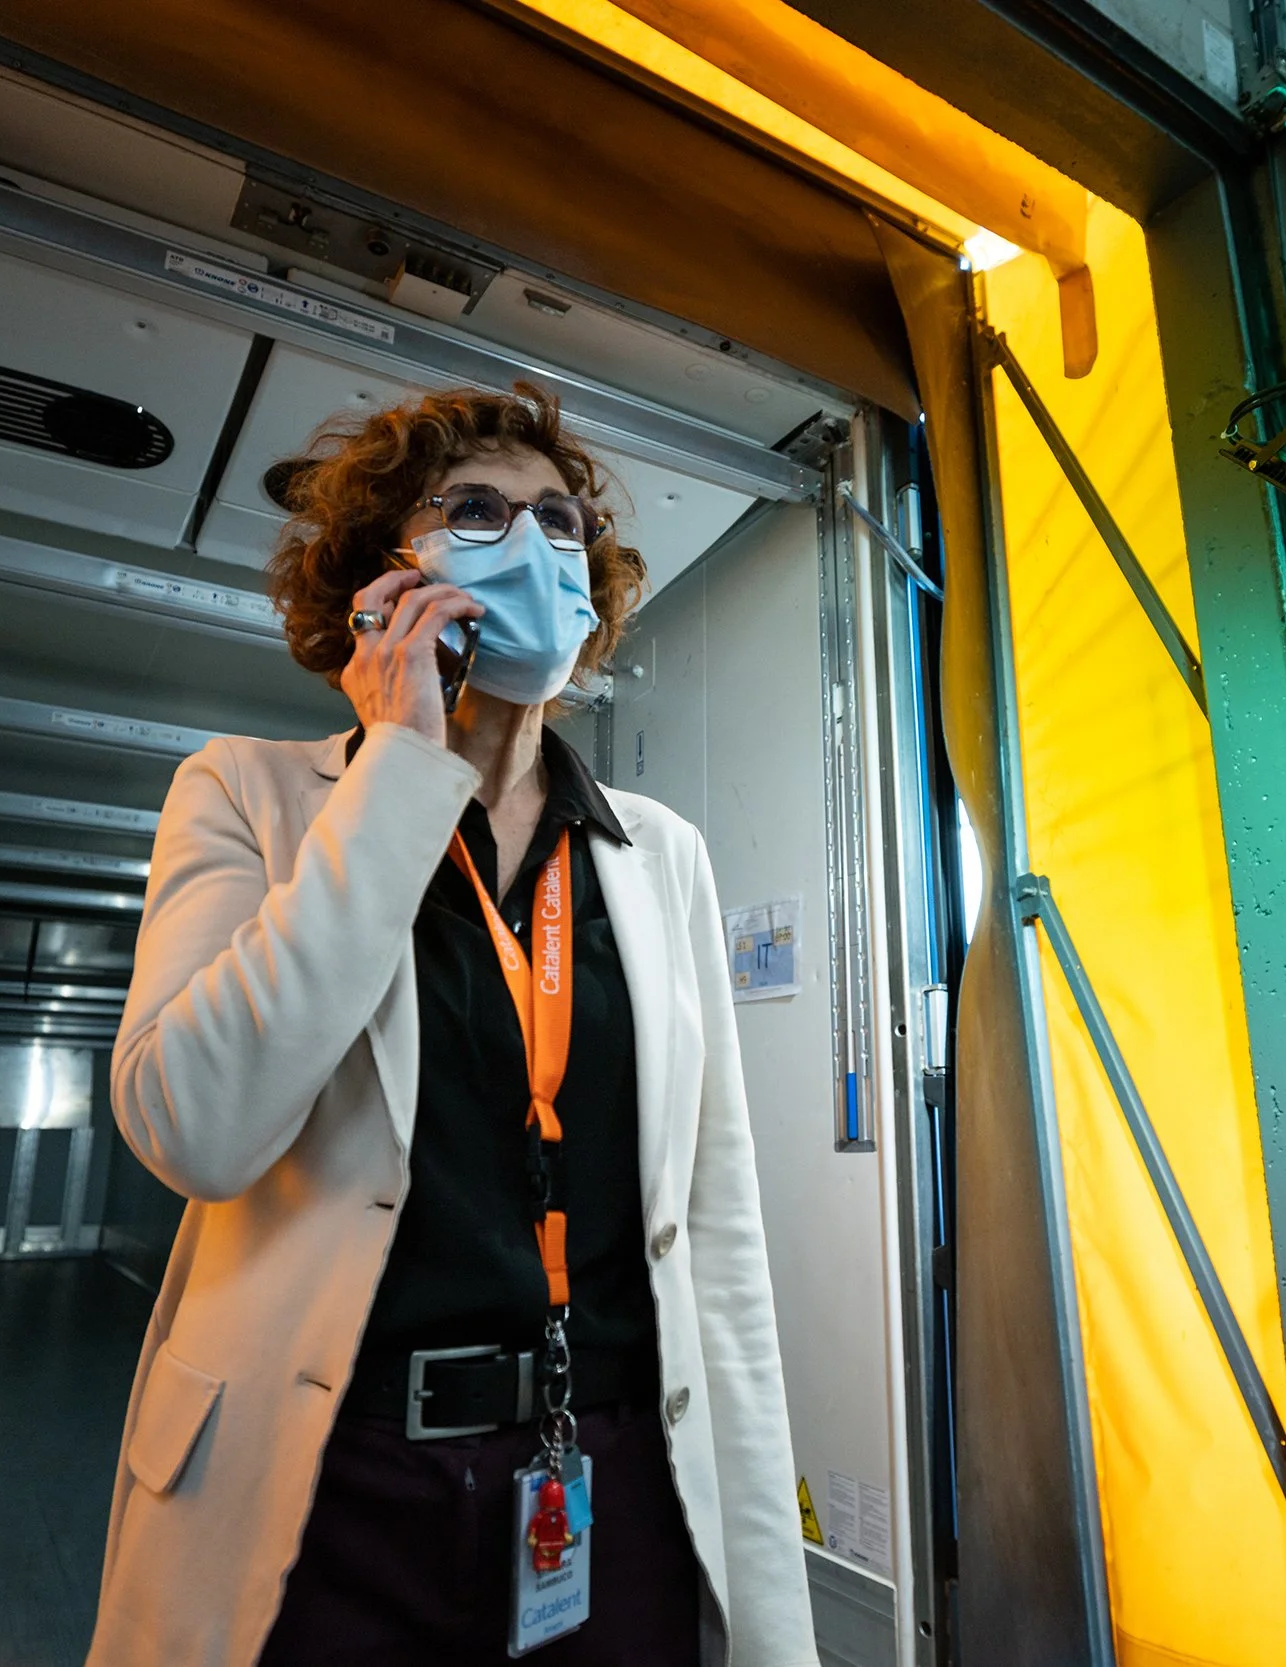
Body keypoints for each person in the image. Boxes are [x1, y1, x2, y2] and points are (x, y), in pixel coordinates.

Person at [87, 382, 817, 1667]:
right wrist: (397, 772)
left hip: (607, 1471)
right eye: (475, 510)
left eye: (560, 519)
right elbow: (193, 1126)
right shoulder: (250, 794)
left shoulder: (661, 854)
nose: (533, 542)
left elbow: (716, 1222)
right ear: (379, 580)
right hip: (334, 1478)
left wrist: (770, 1589)